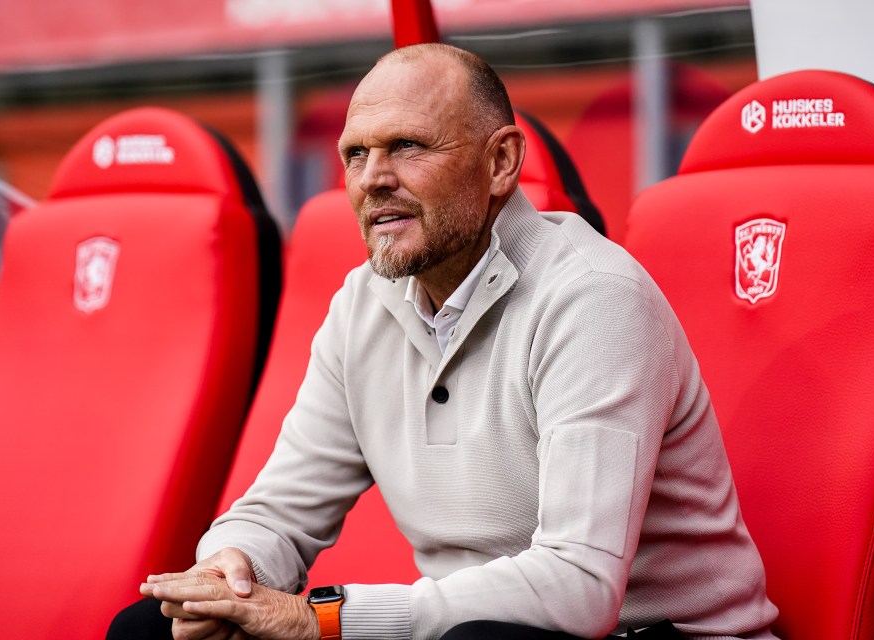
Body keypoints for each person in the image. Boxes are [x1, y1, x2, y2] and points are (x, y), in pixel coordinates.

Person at [114, 43, 779, 640]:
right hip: (462, 633)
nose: (373, 177)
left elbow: (579, 587)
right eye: (354, 153)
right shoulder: (360, 305)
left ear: (500, 162)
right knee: (152, 632)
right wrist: (232, 566)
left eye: (407, 146)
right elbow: (279, 510)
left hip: (652, 635)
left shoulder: (592, 295)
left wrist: (327, 619)